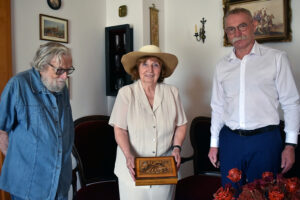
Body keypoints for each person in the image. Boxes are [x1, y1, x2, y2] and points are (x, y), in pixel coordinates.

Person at [208, 7, 300, 191]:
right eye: (231, 29)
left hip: (265, 141)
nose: (237, 33)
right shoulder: (221, 66)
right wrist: (214, 145)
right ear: (226, 33)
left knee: (264, 193)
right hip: (231, 141)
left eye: (242, 26)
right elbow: (217, 107)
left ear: (254, 25)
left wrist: (290, 145)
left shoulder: (276, 59)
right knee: (229, 193)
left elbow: (291, 103)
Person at [109, 45, 187, 200]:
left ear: (161, 69)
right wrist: (128, 155)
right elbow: (120, 130)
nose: (150, 69)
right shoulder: (126, 93)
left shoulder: (172, 92)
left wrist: (177, 147)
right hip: (132, 169)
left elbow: (181, 124)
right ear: (137, 68)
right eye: (144, 64)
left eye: (155, 64)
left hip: (164, 169)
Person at [0, 42, 75, 200]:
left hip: (59, 181)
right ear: (42, 65)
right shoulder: (18, 85)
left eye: (68, 70)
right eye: (60, 70)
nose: (65, 77)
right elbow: (1, 129)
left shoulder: (61, 87)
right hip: (29, 185)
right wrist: (20, 159)